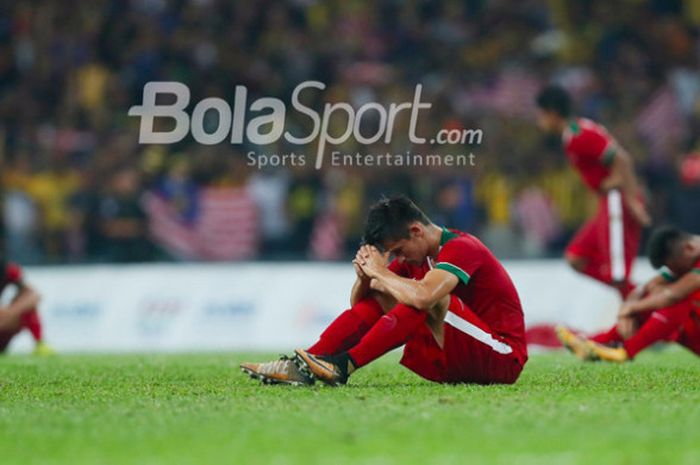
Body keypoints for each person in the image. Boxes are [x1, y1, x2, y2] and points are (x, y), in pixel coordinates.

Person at [241, 196, 527, 386]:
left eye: (400, 251)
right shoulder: (415, 255)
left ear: (416, 231)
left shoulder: (463, 247)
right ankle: (301, 365)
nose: (400, 259)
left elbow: (426, 297)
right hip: (456, 358)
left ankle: (344, 366)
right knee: (396, 293)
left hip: (502, 356)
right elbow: (363, 306)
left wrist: (380, 271)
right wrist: (365, 278)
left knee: (427, 296)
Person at [535, 85, 651, 299]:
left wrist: (633, 202)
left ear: (551, 113)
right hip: (607, 203)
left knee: (617, 273)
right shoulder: (573, 134)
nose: (539, 122)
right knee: (575, 257)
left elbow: (621, 159)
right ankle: (639, 296)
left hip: (618, 200)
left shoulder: (580, 135)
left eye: (540, 115)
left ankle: (638, 307)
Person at [557, 226, 700, 362]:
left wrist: (631, 308)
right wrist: (627, 312)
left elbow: (673, 295)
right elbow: (646, 287)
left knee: (677, 300)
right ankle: (597, 343)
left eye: (676, 268)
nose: (675, 271)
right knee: (657, 296)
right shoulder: (690, 256)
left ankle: (626, 351)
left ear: (689, 249)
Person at [0, 258, 54, 355]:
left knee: (28, 305)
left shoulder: (8, 269)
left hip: (4, 324)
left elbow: (33, 295)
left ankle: (40, 344)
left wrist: (11, 312)